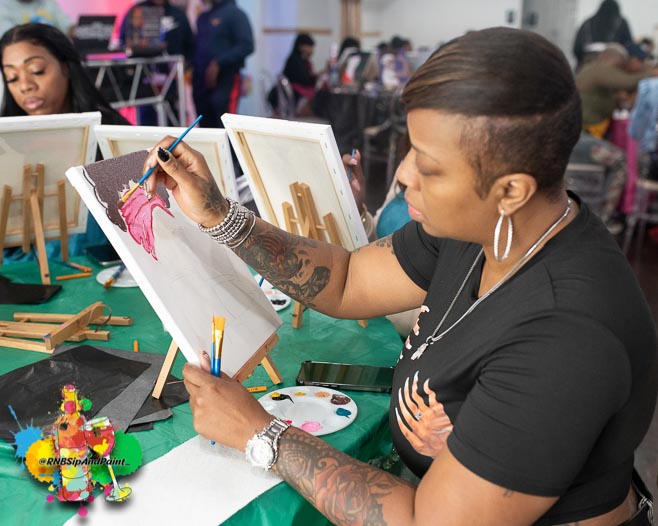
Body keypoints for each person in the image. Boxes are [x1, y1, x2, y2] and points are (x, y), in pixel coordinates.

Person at [144, 27, 657, 525]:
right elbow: (347, 279)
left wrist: (261, 434)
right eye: (409, 148)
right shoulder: (485, 227)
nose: (403, 174)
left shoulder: (565, 337)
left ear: (511, 190)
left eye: (428, 166)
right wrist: (218, 213)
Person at [0, 23, 129, 262]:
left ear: (66, 67)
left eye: (37, 70)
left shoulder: (111, 136)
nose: (25, 86)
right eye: (12, 77)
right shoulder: (5, 146)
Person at [118, 0, 194, 126]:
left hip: (171, 81)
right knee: (147, 121)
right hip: (142, 81)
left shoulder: (177, 14)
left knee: (173, 121)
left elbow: (189, 46)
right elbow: (123, 42)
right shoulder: (137, 11)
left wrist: (186, 67)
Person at [192, 0, 253, 128]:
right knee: (206, 127)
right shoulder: (203, 17)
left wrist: (219, 63)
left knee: (225, 125)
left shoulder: (235, 14)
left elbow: (247, 45)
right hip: (201, 83)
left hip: (226, 79)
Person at [575, 44, 655, 138]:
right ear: (615, 60)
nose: (621, 69)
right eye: (621, 66)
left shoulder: (594, 68)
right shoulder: (600, 69)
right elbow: (627, 82)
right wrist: (652, 74)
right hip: (589, 127)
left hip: (592, 125)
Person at [573, 0, 633, 69]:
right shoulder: (621, 23)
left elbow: (576, 49)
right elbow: (628, 47)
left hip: (587, 65)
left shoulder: (587, 23)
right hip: (614, 67)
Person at [0, 0, 73, 38]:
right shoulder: (4, 7)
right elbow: (10, 38)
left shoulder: (48, 2)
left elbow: (68, 27)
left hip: (55, 52)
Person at [282, 33, 318, 105]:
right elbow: (306, 81)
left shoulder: (302, 61)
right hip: (293, 97)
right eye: (309, 47)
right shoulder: (294, 61)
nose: (311, 50)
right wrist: (319, 76)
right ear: (301, 46)